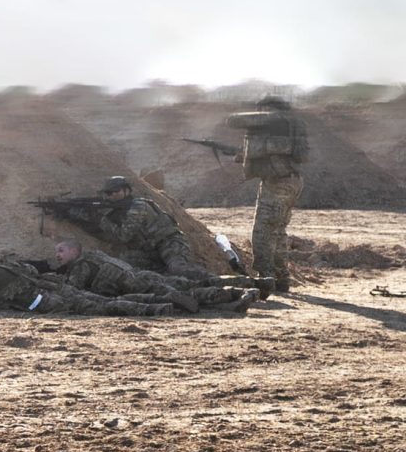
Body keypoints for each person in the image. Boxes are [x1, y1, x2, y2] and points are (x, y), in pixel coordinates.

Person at [229, 95, 308, 292]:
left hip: (278, 184)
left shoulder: (275, 119)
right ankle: (282, 279)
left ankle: (265, 278)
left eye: (261, 110)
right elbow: (275, 153)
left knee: (262, 233)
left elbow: (233, 120)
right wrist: (245, 155)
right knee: (278, 233)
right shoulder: (288, 126)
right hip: (292, 181)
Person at [45, 241, 255, 315]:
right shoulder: (95, 255)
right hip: (141, 275)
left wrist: (51, 280)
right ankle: (243, 290)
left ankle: (234, 295)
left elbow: (74, 292)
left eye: (61, 251)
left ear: (74, 250)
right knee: (191, 286)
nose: (58, 255)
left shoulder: (81, 265)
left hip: (133, 285)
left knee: (189, 293)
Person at [0, 248, 175, 316]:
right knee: (101, 300)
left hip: (45, 302)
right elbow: (32, 270)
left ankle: (152, 309)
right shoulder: (10, 264)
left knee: (100, 309)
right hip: (54, 286)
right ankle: (155, 299)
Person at [95, 176, 214, 280]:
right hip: (151, 250)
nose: (113, 195)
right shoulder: (119, 209)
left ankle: (216, 280)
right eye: (109, 193)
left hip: (170, 243)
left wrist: (103, 221)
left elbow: (124, 236)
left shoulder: (138, 206)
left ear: (127, 190)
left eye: (116, 191)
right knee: (125, 263)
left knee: (177, 269)